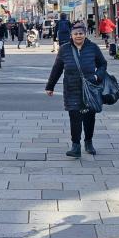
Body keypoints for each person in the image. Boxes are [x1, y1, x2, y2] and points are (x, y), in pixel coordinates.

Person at [45, 23, 108, 158]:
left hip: (90, 88)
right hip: (71, 88)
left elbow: (103, 64)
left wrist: (97, 76)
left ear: (85, 34)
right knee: (74, 117)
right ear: (71, 35)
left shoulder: (93, 47)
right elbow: (57, 68)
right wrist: (50, 86)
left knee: (89, 117)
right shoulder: (64, 49)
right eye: (76, 34)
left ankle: (88, 142)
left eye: (81, 33)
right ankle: (75, 146)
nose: (78, 36)